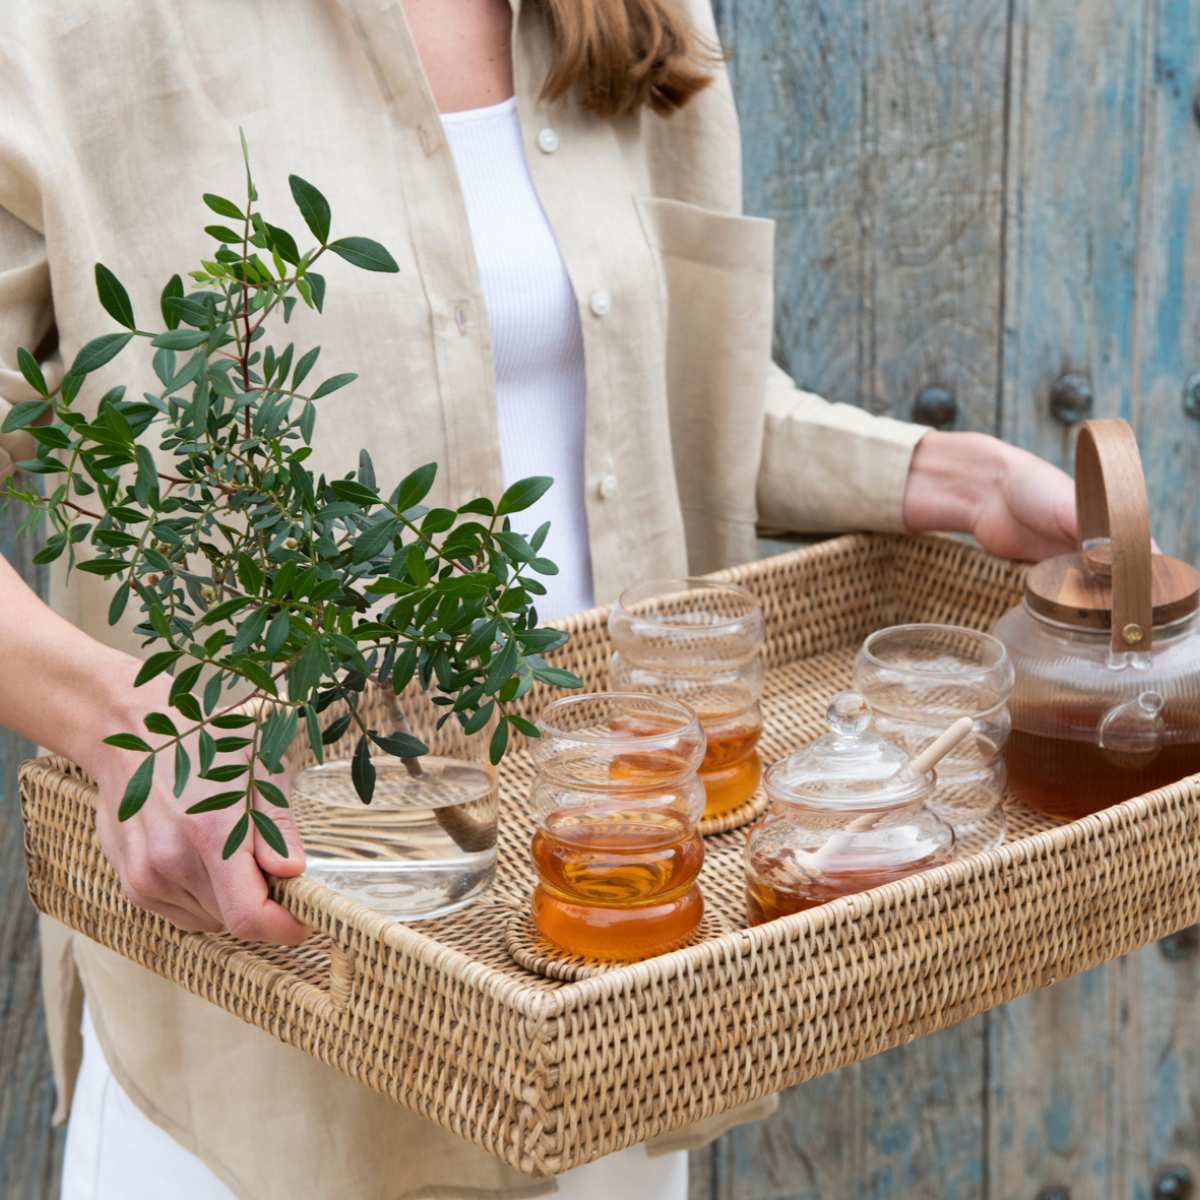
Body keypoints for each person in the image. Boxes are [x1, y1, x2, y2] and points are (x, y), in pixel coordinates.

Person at [0, 1, 1078, 1197]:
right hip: (272, 1016)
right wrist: (115, 722)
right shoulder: (68, 31)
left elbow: (654, 391)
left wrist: (950, 479)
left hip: (604, 965)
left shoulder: (624, 11)